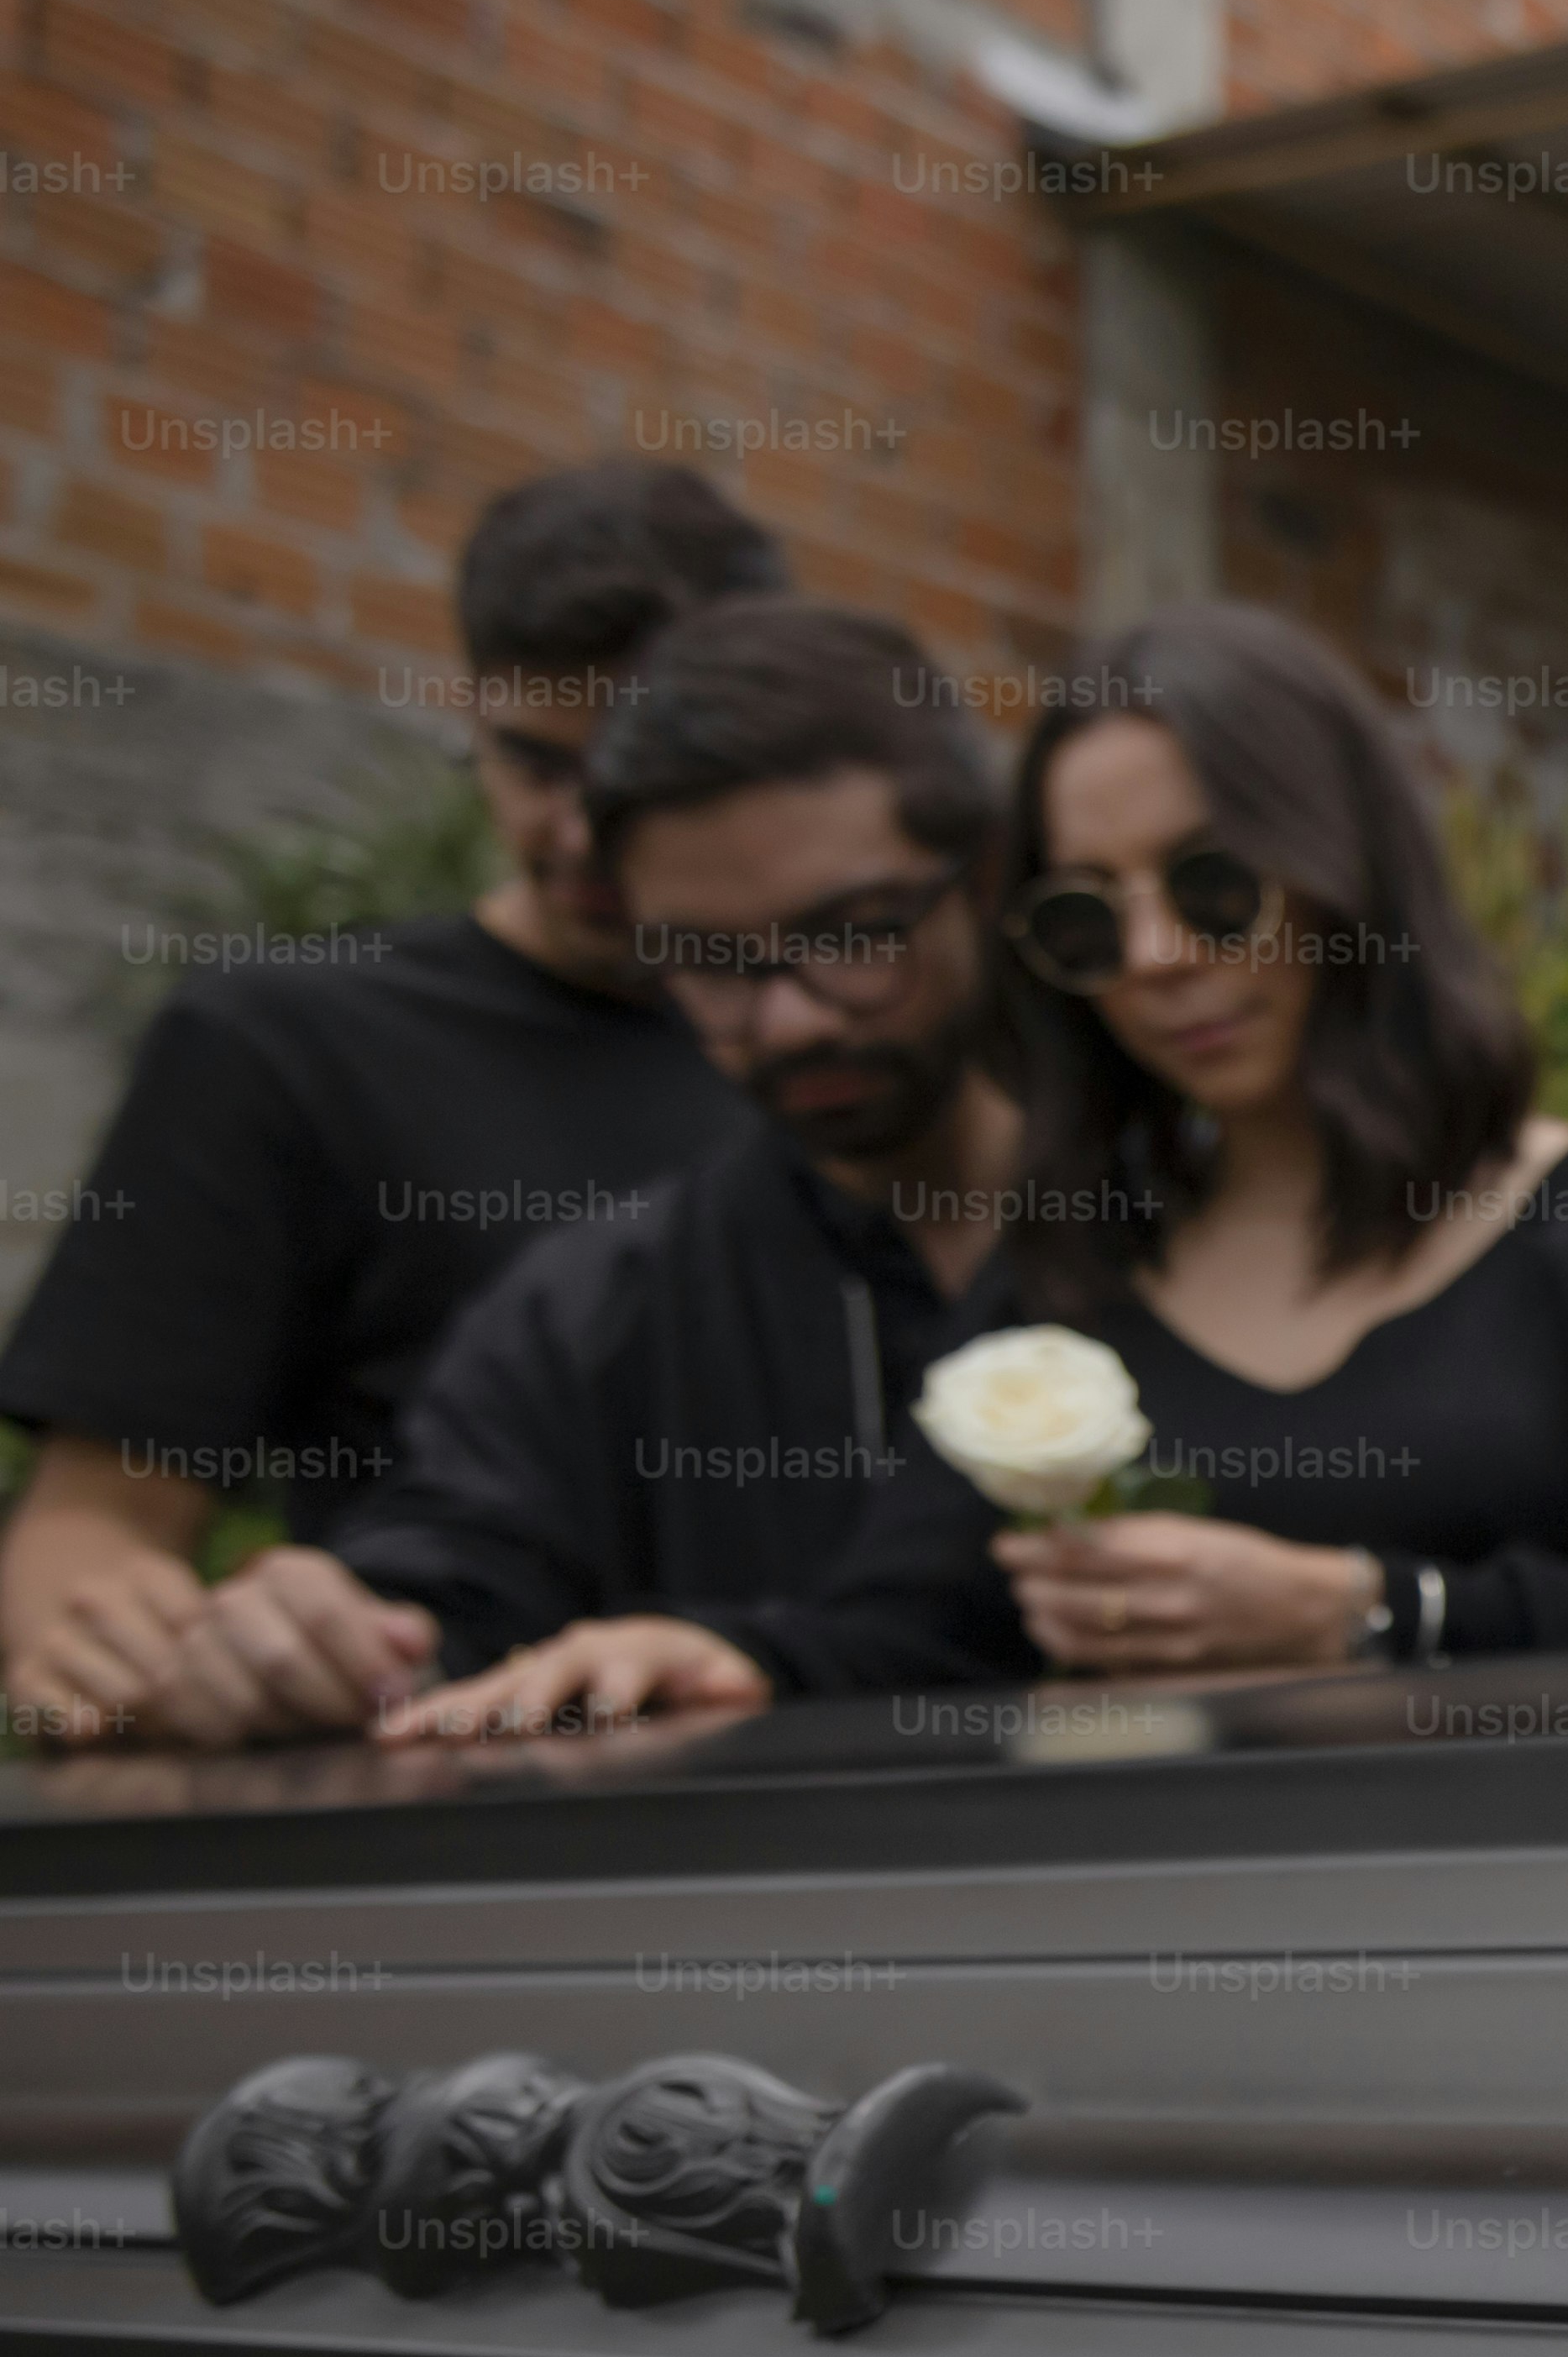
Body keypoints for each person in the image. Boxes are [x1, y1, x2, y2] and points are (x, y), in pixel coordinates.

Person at [414, 603, 1568, 1731]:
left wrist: (1368, 1611)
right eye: (1085, 916)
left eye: (1212, 885)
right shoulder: (1079, 1265)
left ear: (1345, 866)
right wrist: (715, 1659)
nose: (1154, 955)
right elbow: (917, 1631)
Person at [103, 600, 1026, 1746]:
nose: (787, 1021)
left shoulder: (1204, 1224)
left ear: (986, 876)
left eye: (849, 933)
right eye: (707, 961)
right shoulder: (600, 1310)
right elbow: (453, 1577)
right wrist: (330, 1646)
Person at [0, 462, 782, 1740]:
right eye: (532, 759)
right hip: (433, 1826)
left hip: (850, 1801)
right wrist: (126, 1647)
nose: (577, 830)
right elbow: (96, 1520)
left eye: (637, 771)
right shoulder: (283, 1044)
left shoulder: (861, 1057)